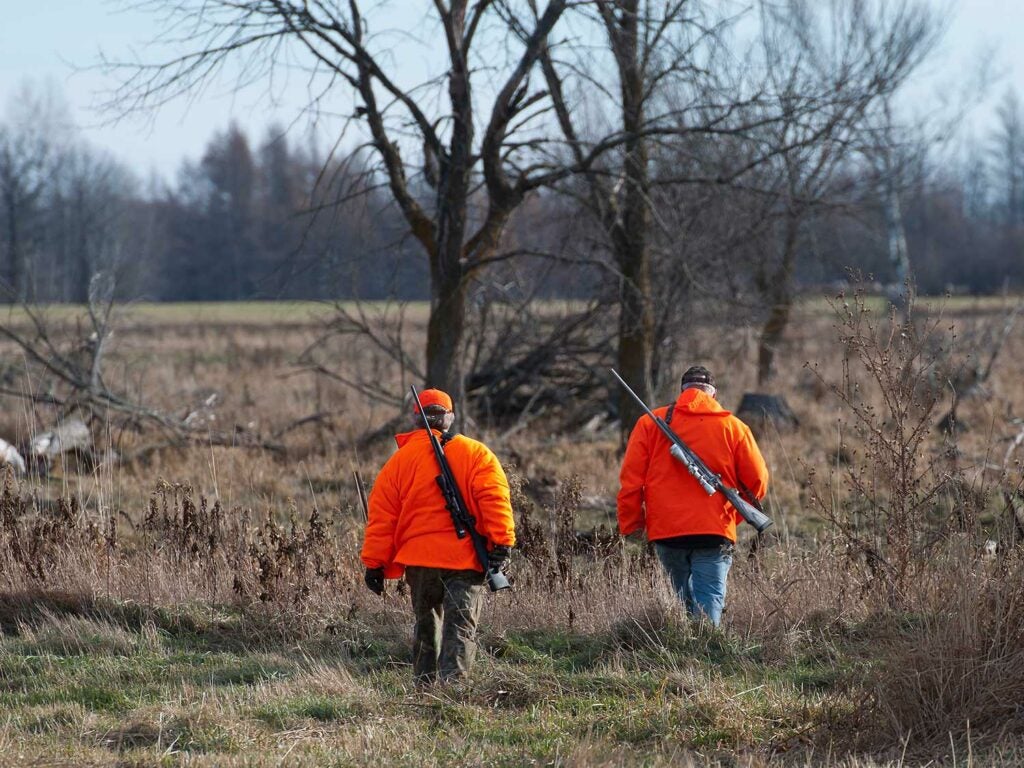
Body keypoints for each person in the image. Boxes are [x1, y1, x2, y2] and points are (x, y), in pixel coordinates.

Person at [360, 388, 515, 684]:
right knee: (460, 628)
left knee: (426, 627)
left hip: (419, 562)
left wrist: (375, 564)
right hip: (466, 558)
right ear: (450, 418)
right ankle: (453, 690)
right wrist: (502, 542)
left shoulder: (398, 462)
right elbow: (494, 499)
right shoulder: (477, 453)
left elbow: (382, 518)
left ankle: (424, 688)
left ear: (416, 420)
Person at [616, 366, 769, 627]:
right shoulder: (734, 427)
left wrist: (632, 525)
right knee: (709, 596)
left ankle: (683, 647)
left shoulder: (649, 423)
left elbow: (630, 483)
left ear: (682, 391)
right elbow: (758, 481)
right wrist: (730, 514)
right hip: (714, 529)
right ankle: (707, 651)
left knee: (680, 599)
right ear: (713, 393)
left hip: (666, 530)